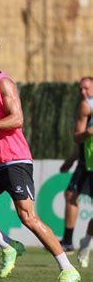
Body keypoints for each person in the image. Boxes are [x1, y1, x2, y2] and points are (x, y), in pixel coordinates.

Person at [0, 29, 81, 282]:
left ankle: (68, 269)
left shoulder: (4, 83)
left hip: (15, 160)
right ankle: (8, 245)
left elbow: (17, 119)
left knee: (29, 218)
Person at [59, 77, 93, 253]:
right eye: (80, 89)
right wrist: (71, 160)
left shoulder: (87, 105)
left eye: (86, 88)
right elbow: (78, 137)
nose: (83, 92)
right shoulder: (86, 106)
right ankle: (68, 241)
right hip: (87, 162)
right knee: (71, 195)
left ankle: (81, 241)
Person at [73, 86, 93, 268]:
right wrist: (89, 132)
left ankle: (85, 243)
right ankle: (86, 244)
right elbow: (77, 138)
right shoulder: (88, 106)